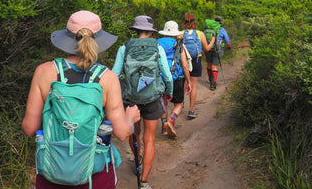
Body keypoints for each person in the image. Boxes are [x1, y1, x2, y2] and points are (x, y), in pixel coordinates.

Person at [22, 10, 141, 189]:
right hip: (96, 176)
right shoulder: (107, 78)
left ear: (68, 38)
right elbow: (122, 133)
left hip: (52, 172)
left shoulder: (44, 72)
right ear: (98, 40)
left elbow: (30, 128)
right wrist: (131, 117)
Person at [112, 15, 173, 189]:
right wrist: (168, 92)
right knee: (150, 139)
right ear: (150, 31)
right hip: (152, 97)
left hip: (131, 99)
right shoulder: (157, 47)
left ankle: (137, 161)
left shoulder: (124, 47)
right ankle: (144, 182)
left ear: (135, 30)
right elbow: (167, 75)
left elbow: (115, 74)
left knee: (134, 134)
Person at [157, 20, 193, 138]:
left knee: (164, 103)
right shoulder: (179, 44)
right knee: (179, 103)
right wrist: (188, 81)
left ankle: (163, 127)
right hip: (176, 77)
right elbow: (184, 65)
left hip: (161, 76)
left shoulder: (157, 43)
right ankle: (171, 121)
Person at [182, 12, 215, 119]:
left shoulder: (181, 33)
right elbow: (207, 48)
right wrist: (213, 40)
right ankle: (191, 110)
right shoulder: (200, 34)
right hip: (196, 60)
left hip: (184, 61)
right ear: (194, 21)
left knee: (184, 82)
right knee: (194, 85)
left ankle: (180, 103)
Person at [206, 16, 232, 90]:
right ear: (220, 23)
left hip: (208, 49)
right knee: (215, 66)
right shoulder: (222, 30)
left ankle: (210, 79)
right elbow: (228, 42)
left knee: (209, 64)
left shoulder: (208, 29)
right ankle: (213, 84)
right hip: (218, 50)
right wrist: (229, 47)